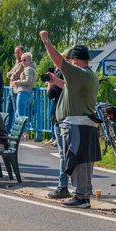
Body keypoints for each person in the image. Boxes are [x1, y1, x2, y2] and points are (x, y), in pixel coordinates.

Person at [41, 31, 100, 208]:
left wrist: (46, 41)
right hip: (84, 124)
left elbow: (58, 60)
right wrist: (55, 81)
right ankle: (83, 194)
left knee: (78, 161)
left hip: (77, 125)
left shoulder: (79, 72)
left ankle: (81, 197)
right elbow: (69, 87)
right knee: (83, 162)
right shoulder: (88, 74)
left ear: (74, 60)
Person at [46, 49, 71, 199]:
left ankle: (63, 186)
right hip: (65, 116)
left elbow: (51, 94)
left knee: (63, 154)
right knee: (66, 153)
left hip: (61, 117)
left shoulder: (62, 73)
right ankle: (77, 187)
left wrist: (50, 82)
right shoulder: (74, 73)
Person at [11, 52, 37, 137]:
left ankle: (22, 133)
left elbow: (28, 81)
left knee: (20, 114)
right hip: (26, 92)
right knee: (19, 113)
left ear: (29, 60)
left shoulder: (28, 69)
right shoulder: (30, 68)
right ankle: (21, 132)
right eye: (22, 60)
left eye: (24, 60)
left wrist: (17, 82)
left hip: (23, 92)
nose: (22, 62)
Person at [6, 45, 25, 130]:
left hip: (16, 89)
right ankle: (6, 130)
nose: (16, 54)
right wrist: (11, 74)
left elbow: (15, 76)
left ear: (22, 52)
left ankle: (18, 131)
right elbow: (8, 74)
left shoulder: (22, 63)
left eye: (18, 52)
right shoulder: (16, 62)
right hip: (11, 88)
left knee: (16, 110)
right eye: (15, 52)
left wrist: (11, 74)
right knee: (8, 111)